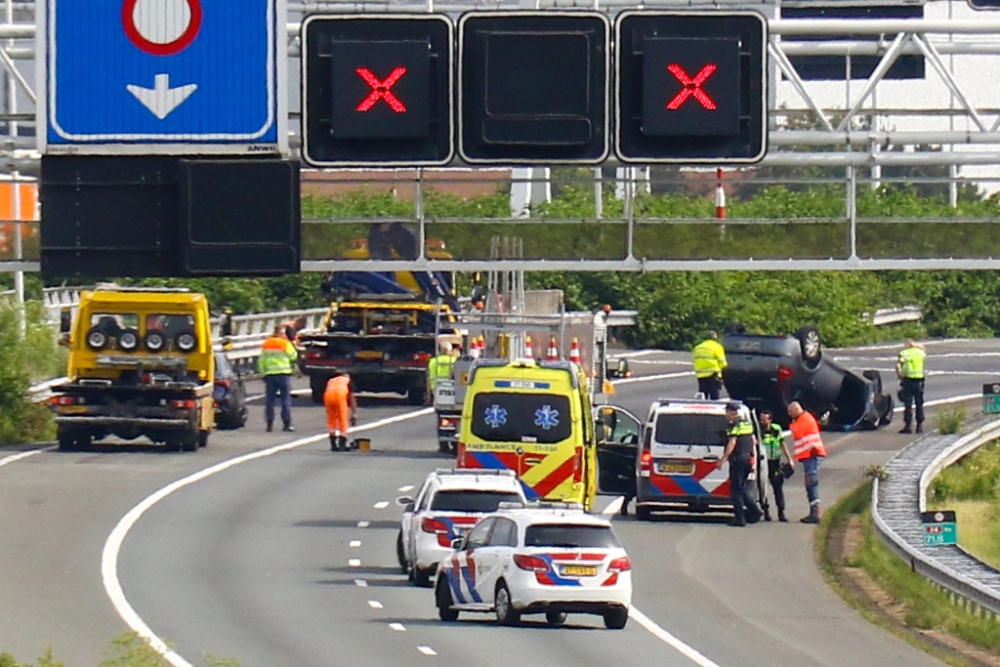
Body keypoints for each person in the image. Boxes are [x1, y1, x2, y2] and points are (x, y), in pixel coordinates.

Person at [717, 402, 762, 527]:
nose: (726, 416)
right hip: (747, 458)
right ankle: (754, 511)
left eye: (726, 413)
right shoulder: (747, 424)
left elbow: (732, 443)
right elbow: (754, 441)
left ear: (731, 413)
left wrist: (723, 459)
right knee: (742, 487)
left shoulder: (734, 425)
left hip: (738, 458)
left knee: (736, 489)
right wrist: (752, 456)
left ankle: (740, 518)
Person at [788, 401, 828, 524]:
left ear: (796, 409)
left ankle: (815, 512)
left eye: (790, 412)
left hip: (812, 455)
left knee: (811, 483)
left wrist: (792, 424)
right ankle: (814, 511)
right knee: (810, 483)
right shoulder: (803, 419)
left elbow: (796, 432)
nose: (789, 414)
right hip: (809, 456)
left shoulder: (804, 419)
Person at [258, 326, 298, 432]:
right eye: (283, 333)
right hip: (283, 374)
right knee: (285, 399)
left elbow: (261, 360)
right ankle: (286, 423)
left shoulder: (267, 344)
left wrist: (263, 373)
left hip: (270, 374)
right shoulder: (285, 343)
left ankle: (269, 424)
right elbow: (293, 356)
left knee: (270, 400)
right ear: (280, 334)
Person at [760, 410, 795, 523]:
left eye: (764, 420)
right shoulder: (758, 431)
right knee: (762, 488)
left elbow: (782, 443)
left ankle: (781, 511)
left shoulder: (776, 429)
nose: (762, 422)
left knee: (778, 487)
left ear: (770, 420)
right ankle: (765, 511)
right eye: (761, 419)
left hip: (775, 462)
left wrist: (789, 458)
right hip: (763, 463)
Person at [897, 339, 927, 434]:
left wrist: (900, 376)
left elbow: (898, 366)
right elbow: (923, 348)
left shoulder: (904, 353)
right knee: (919, 403)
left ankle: (908, 426)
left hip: (907, 380)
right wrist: (916, 344)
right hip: (919, 381)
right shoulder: (920, 352)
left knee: (908, 404)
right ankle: (919, 426)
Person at [324, 372, 358, 451]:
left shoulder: (332, 380)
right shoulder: (347, 381)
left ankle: (333, 444)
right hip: (339, 395)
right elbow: (352, 398)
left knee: (331, 419)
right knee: (342, 419)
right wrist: (354, 414)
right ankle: (342, 443)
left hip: (328, 396)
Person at [692, 331, 727, 400]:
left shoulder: (698, 347)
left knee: (703, 395)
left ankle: (701, 409)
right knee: (714, 395)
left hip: (701, 375)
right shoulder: (717, 347)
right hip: (713, 374)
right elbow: (723, 363)